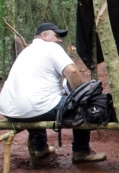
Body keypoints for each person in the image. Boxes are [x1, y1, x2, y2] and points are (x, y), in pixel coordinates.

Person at [0, 22, 106, 164]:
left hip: (9, 110)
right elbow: (72, 71)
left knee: (43, 100)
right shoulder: (51, 47)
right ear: (44, 36)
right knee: (81, 104)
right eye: (56, 36)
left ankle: (39, 147)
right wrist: (80, 95)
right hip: (34, 107)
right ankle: (81, 151)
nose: (59, 40)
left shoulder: (27, 51)